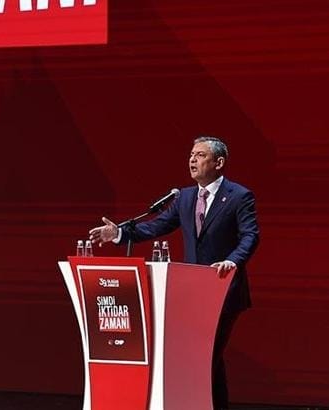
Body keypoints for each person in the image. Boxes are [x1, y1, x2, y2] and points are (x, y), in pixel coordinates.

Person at [89, 135, 259, 410]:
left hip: (224, 289)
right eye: (191, 155)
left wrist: (232, 261)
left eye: (200, 155)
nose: (192, 160)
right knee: (207, 359)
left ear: (219, 162)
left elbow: (250, 235)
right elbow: (156, 226)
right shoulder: (185, 197)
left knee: (208, 356)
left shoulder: (239, 196)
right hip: (193, 293)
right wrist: (118, 233)